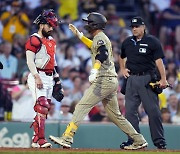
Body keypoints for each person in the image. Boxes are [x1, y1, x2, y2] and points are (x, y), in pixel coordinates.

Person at [49, 12, 148, 150]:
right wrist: (80, 36)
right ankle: (139, 139)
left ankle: (67, 137)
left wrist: (95, 70)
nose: (86, 25)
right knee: (115, 116)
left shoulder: (100, 37)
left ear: (94, 24)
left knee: (81, 106)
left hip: (104, 80)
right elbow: (94, 46)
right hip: (111, 81)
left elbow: (103, 53)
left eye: (88, 23)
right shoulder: (99, 37)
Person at [119, 16, 168, 149]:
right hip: (131, 79)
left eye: (137, 26)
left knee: (153, 111)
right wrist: (122, 68)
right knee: (129, 112)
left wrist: (163, 79)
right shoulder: (127, 42)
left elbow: (159, 62)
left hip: (147, 78)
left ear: (143, 27)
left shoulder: (152, 41)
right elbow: (121, 56)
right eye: (133, 27)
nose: (134, 29)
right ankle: (135, 140)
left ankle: (159, 141)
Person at [25, 9, 64, 148]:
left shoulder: (52, 41)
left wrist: (58, 81)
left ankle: (35, 139)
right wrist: (36, 77)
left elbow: (53, 62)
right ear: (42, 24)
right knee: (41, 106)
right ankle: (41, 140)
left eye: (52, 25)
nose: (51, 28)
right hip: (38, 75)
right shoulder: (34, 39)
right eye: (49, 25)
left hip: (49, 77)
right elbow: (29, 61)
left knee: (44, 110)